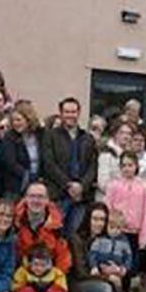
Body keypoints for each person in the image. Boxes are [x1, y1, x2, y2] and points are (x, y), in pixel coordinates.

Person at [42, 97, 97, 236]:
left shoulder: (87, 138)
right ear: (61, 113)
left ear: (79, 113)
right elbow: (49, 164)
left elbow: (93, 165)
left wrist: (82, 186)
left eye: (73, 112)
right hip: (58, 194)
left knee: (74, 236)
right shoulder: (51, 136)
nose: (70, 115)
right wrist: (68, 185)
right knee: (54, 233)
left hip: (81, 197)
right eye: (66, 112)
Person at [105, 151, 146, 292]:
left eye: (130, 165)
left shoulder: (143, 186)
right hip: (117, 232)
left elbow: (145, 213)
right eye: (123, 165)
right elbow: (108, 207)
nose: (127, 168)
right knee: (116, 268)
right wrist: (108, 230)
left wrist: (143, 238)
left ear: (136, 166)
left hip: (134, 233)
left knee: (129, 268)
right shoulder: (113, 185)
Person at [64, 203, 114, 292]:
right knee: (105, 289)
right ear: (88, 219)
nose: (99, 223)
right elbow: (80, 273)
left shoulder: (105, 240)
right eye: (95, 219)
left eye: (102, 220)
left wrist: (118, 269)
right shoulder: (76, 238)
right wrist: (106, 277)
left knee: (114, 280)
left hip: (92, 279)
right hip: (75, 283)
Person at [88, 209, 133, 292]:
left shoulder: (124, 241)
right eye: (112, 227)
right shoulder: (100, 240)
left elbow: (128, 257)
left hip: (116, 271)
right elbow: (92, 254)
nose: (115, 231)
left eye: (119, 228)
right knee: (110, 286)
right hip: (102, 271)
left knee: (117, 285)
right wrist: (94, 267)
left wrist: (122, 268)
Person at [14, 182, 72, 274]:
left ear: (47, 200)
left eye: (40, 197)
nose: (36, 200)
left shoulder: (57, 227)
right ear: (25, 199)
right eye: (32, 196)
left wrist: (53, 280)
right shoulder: (13, 222)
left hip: (50, 276)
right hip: (19, 276)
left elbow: (63, 259)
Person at [0, 100, 43, 199]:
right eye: (13, 120)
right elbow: (10, 162)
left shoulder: (40, 135)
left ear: (28, 119)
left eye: (19, 120)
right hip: (16, 187)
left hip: (38, 185)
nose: (15, 123)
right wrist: (28, 176)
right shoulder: (9, 138)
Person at [96, 121, 133, 201]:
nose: (126, 136)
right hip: (107, 200)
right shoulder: (106, 153)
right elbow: (103, 183)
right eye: (122, 133)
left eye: (129, 134)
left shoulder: (130, 154)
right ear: (115, 134)